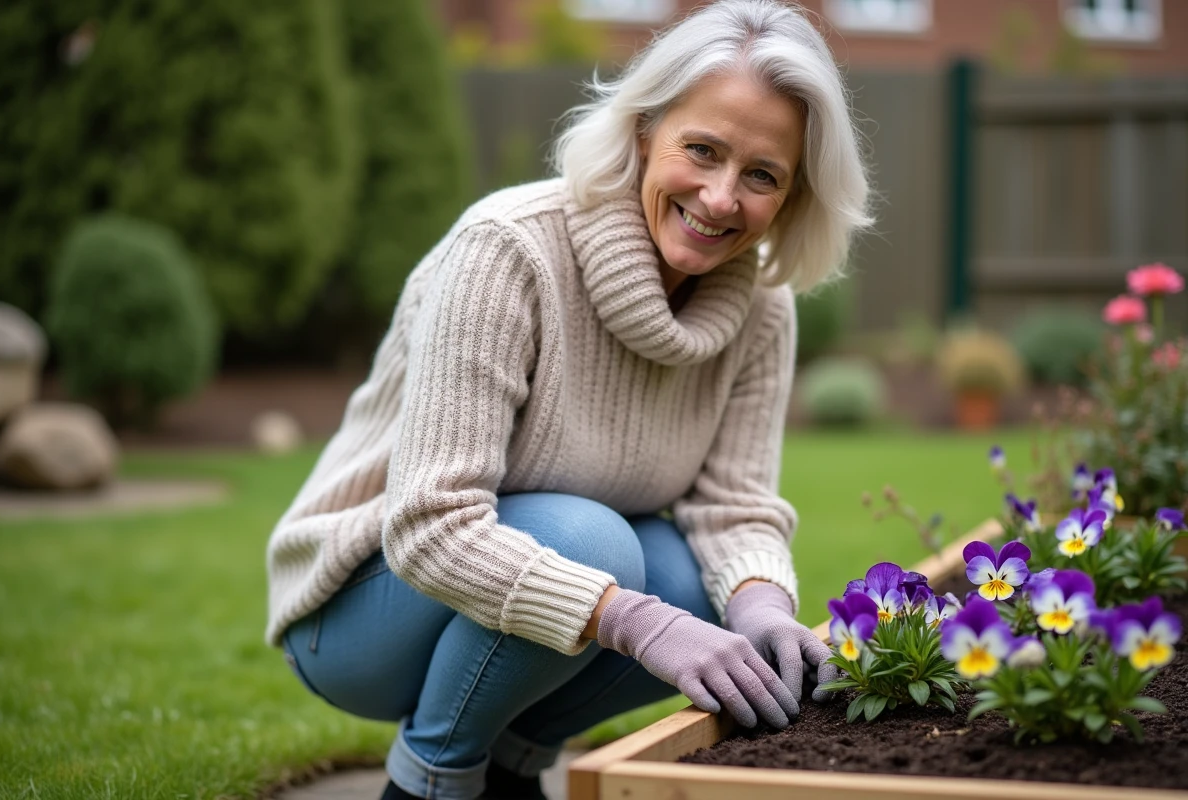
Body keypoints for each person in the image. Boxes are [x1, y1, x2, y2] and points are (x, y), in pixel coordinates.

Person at [265, 1, 873, 797]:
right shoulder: (509, 250)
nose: (722, 198)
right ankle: (431, 779)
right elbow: (428, 524)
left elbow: (734, 507)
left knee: (704, 588)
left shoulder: (761, 309)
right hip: (360, 614)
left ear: (792, 198)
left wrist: (761, 610)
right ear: (644, 131)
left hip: (523, 616)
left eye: (762, 175)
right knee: (601, 548)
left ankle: (513, 767)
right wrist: (638, 621)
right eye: (703, 150)